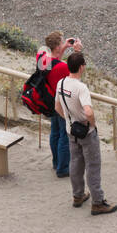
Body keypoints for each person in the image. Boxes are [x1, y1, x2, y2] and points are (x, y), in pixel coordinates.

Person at [55, 51, 117, 215]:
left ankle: (78, 195)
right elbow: (88, 112)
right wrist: (92, 125)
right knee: (93, 166)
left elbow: (57, 108)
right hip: (86, 133)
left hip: (71, 131)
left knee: (75, 163)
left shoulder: (61, 83)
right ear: (82, 67)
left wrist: (70, 120)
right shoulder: (81, 88)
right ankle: (98, 202)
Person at [36, 31, 81, 178]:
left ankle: (56, 162)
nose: (63, 44)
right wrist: (77, 52)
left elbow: (54, 61)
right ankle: (63, 168)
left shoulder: (42, 58)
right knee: (64, 135)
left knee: (54, 132)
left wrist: (63, 49)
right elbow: (76, 72)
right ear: (56, 47)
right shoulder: (61, 67)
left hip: (49, 100)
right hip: (61, 103)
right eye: (61, 43)